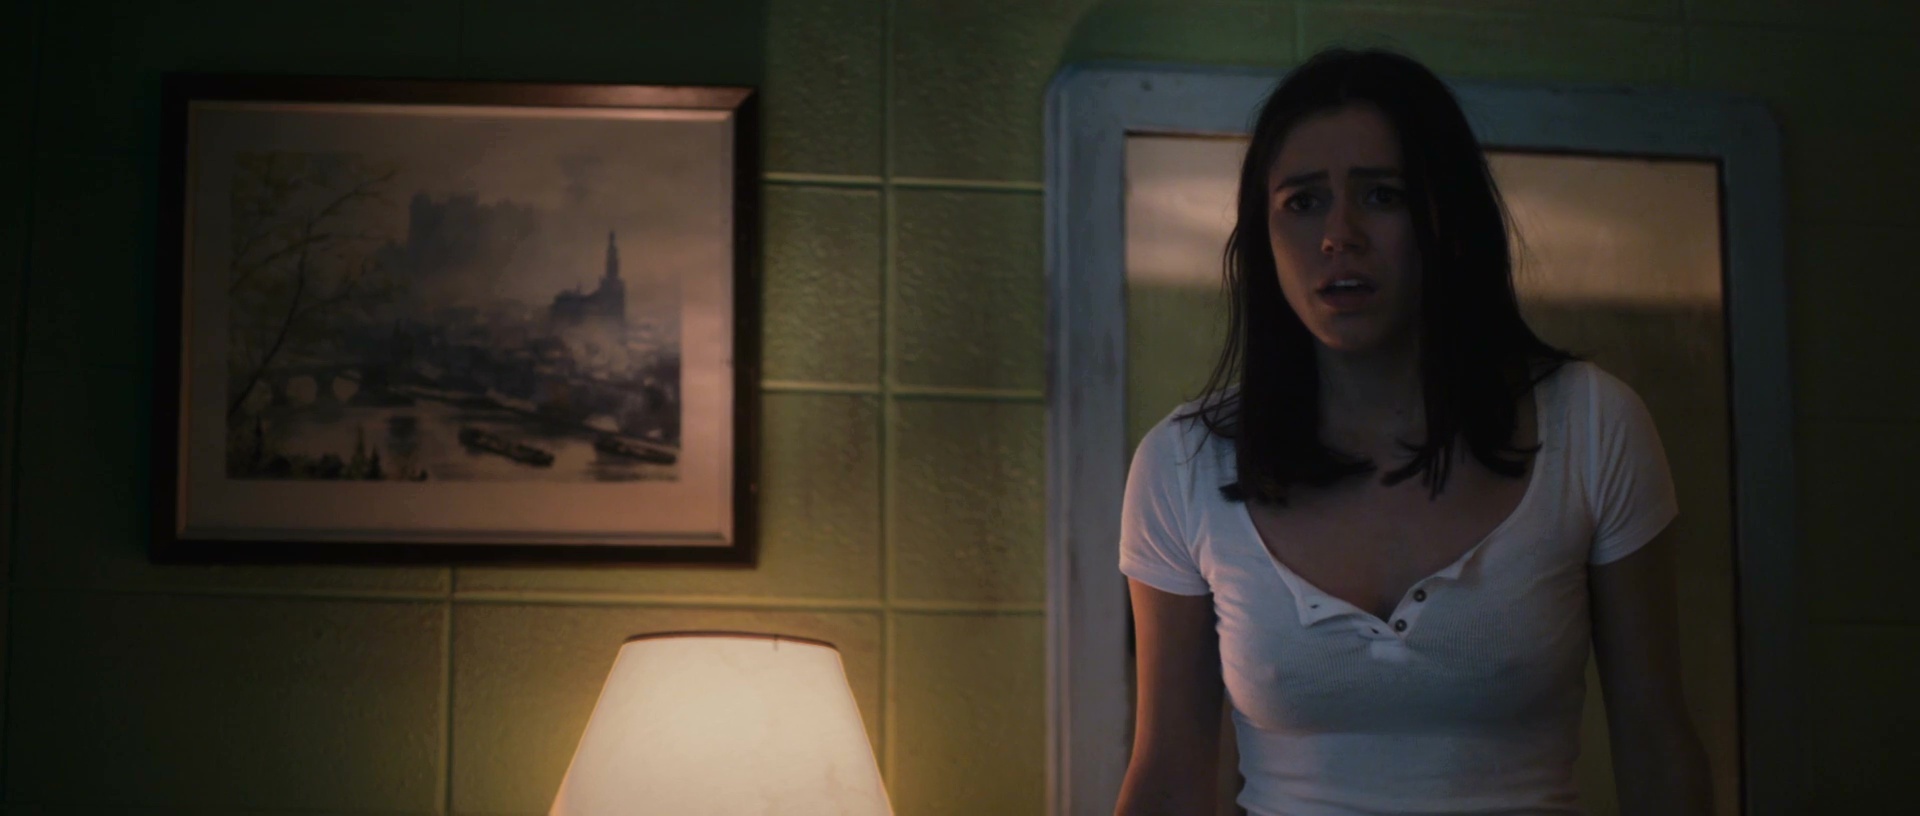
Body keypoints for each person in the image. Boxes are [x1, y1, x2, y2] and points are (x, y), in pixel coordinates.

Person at [1114, 48, 1715, 815]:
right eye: (1303, 202)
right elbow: (1167, 776)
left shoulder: (1593, 427)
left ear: (1447, 219)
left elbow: (1657, 746)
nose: (1339, 235)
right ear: (1263, 237)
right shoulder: (1185, 465)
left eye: (1381, 195)